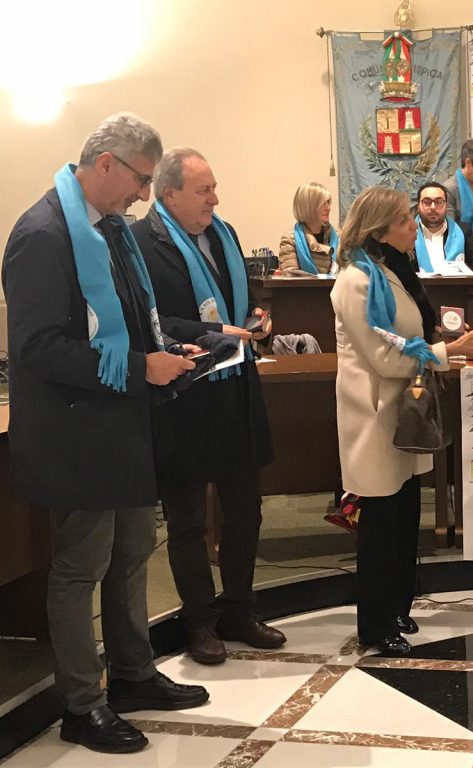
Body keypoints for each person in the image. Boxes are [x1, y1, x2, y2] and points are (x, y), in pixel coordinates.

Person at [1, 114, 208, 754]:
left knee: (132, 552)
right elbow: (36, 348)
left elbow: (129, 323)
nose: (143, 196)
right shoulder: (43, 233)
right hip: (75, 435)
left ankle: (134, 674)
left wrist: (164, 350)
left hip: (121, 427)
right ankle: (81, 705)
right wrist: (140, 367)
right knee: (80, 567)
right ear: (107, 163)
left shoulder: (108, 229)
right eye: (141, 181)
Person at [330, 186, 473, 655]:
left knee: (404, 517)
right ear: (379, 230)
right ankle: (375, 623)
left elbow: (416, 332)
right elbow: (385, 357)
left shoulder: (393, 270)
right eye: (405, 220)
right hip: (374, 416)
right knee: (380, 525)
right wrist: (451, 351)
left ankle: (397, 605)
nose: (414, 226)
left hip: (405, 411)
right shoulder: (355, 281)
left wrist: (445, 342)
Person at [131, 147, 284, 665]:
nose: (214, 199)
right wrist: (214, 331)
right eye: (204, 190)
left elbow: (239, 296)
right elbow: (149, 320)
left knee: (246, 512)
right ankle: (199, 621)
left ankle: (240, 610)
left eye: (214, 188)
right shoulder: (141, 242)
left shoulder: (225, 232)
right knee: (188, 522)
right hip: (185, 396)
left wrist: (256, 317)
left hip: (237, 388)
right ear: (169, 193)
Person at [413, 181, 473, 274]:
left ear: (446, 205)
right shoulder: (407, 234)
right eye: (427, 202)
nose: (433, 207)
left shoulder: (464, 231)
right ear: (418, 206)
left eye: (438, 202)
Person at [278, 182, 339, 274]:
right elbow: (291, 276)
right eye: (323, 203)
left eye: (328, 202)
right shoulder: (290, 240)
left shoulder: (338, 238)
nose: (328, 208)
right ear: (309, 207)